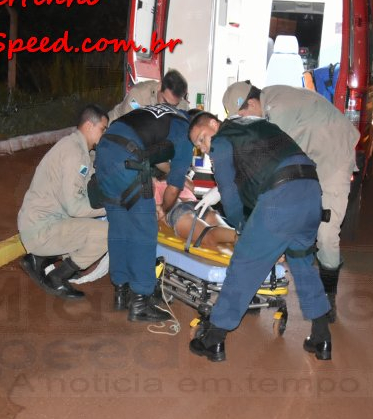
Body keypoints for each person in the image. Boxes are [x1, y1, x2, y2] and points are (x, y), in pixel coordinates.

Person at [187, 111, 332, 362]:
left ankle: (214, 340)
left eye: (201, 139)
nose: (204, 147)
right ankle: (322, 337)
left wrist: (242, 226)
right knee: (302, 264)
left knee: (244, 266)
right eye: (198, 146)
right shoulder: (256, 124)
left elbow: (230, 195)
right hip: (310, 192)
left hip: (281, 197)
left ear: (214, 124)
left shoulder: (222, 140)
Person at [222, 81, 360, 321]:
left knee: (326, 233)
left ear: (252, 103)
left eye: (243, 116)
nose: (243, 124)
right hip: (306, 158)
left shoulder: (277, 111)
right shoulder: (266, 104)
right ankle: (255, 286)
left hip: (333, 158)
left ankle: (328, 298)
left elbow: (266, 163)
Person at [94, 103, 194, 321]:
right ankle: (140, 300)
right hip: (127, 159)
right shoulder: (187, 133)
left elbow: (156, 152)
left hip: (104, 152)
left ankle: (121, 292)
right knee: (143, 230)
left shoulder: (163, 114)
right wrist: (163, 208)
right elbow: (175, 187)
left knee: (119, 227)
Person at [17, 104, 109, 299]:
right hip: (41, 229)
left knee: (93, 222)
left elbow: (90, 186)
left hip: (42, 223)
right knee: (107, 234)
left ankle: (40, 259)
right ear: (89, 126)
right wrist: (108, 208)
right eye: (103, 129)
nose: (104, 134)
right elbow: (75, 207)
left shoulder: (77, 148)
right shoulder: (74, 153)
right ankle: (57, 278)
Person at [153, 176, 238, 251]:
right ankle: (241, 235)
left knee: (209, 235)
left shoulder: (150, 185)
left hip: (176, 209)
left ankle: (242, 237)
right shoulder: (175, 176)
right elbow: (191, 187)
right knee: (224, 230)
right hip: (198, 204)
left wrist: (160, 209)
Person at [107, 69, 189, 122]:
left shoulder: (182, 106)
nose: (167, 107)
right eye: (165, 101)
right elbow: (129, 126)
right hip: (114, 129)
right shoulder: (138, 96)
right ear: (160, 86)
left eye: (173, 106)